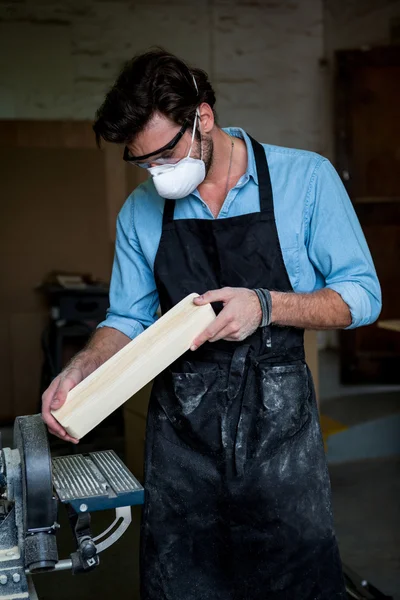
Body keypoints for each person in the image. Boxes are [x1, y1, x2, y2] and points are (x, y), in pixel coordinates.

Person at [42, 49, 381, 600]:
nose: (157, 173)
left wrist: (266, 305)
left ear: (203, 117)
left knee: (294, 581)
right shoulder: (140, 212)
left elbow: (362, 297)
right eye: (142, 162)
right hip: (183, 440)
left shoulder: (306, 180)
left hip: (280, 437)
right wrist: (83, 368)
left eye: (165, 154)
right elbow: (127, 316)